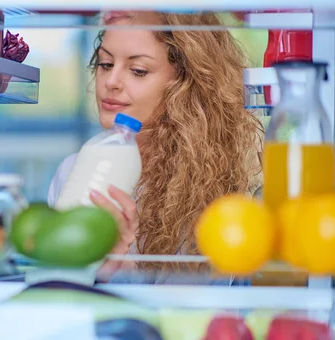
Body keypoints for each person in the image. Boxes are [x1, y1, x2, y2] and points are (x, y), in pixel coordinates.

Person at [48, 11, 263, 284]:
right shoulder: (73, 170)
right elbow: (54, 292)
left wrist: (122, 271)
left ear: (186, 83)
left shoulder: (211, 188)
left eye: (138, 71)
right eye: (105, 63)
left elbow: (192, 319)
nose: (111, 82)